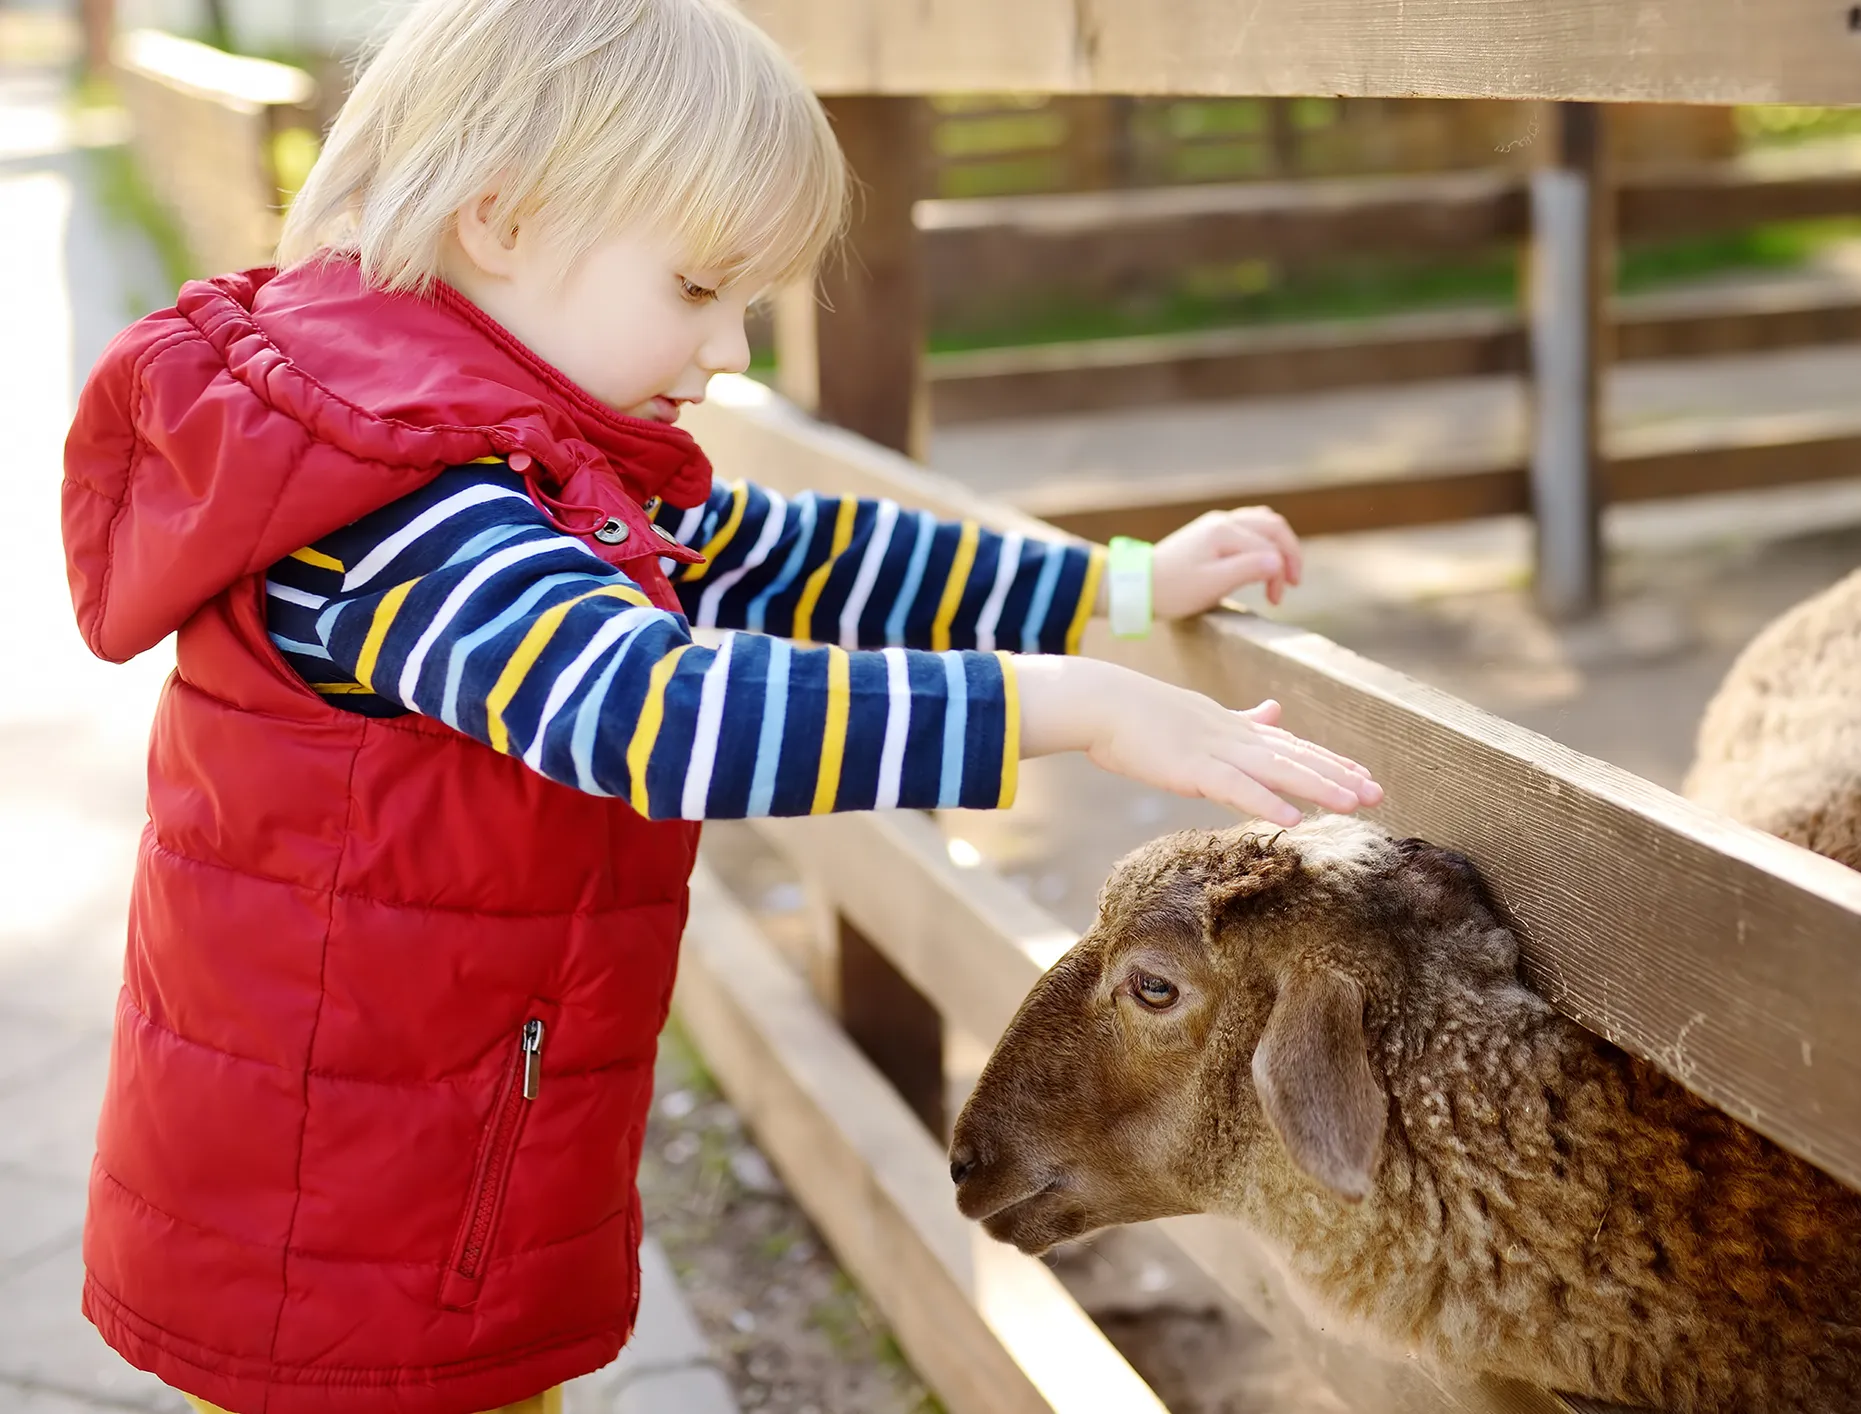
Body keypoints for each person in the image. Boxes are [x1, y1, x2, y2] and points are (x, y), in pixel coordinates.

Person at [58, 1, 1382, 1410]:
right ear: (500, 220)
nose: (731, 350)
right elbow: (662, 716)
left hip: (416, 1184)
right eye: (698, 288)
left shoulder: (524, 451)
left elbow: (803, 554)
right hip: (337, 1245)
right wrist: (1065, 706)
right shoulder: (406, 508)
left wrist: (1116, 584)